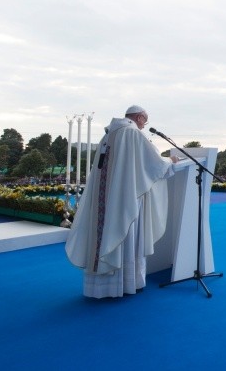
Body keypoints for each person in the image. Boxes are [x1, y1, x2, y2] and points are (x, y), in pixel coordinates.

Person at [65, 105, 178, 298]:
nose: (144, 125)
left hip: (106, 197)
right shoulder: (134, 134)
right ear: (139, 117)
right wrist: (171, 160)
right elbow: (154, 164)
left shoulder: (109, 135)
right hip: (126, 197)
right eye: (145, 120)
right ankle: (126, 283)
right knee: (124, 231)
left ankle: (102, 286)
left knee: (105, 231)